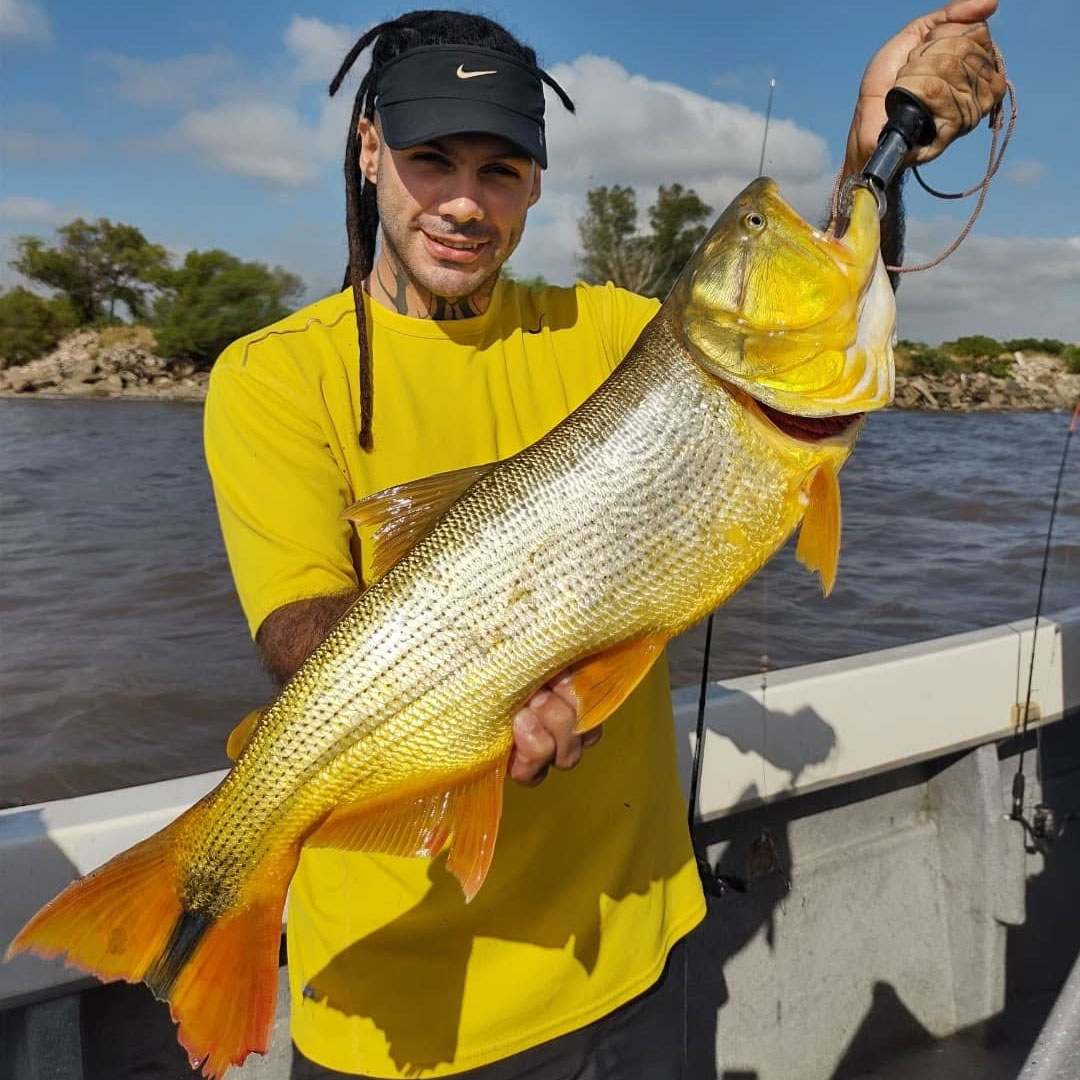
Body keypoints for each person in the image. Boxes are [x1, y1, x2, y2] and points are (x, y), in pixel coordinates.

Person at [204, 5, 1005, 1077]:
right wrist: (477, 683)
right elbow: (294, 623)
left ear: (536, 181)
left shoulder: (617, 334)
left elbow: (807, 307)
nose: (462, 202)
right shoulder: (271, 374)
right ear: (367, 152)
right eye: (429, 159)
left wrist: (873, 155)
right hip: (408, 1006)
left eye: (500, 169)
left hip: (644, 947)